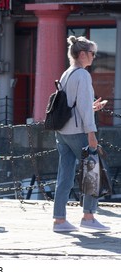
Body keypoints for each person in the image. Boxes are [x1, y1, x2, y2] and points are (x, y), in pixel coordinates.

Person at [52, 35, 110, 232]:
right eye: (92, 53)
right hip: (78, 132)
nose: (94, 57)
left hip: (62, 132)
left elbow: (75, 106)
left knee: (65, 176)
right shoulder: (83, 75)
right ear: (83, 54)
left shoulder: (67, 73)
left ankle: (59, 220)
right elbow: (83, 109)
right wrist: (91, 133)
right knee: (92, 172)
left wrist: (92, 107)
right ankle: (88, 216)